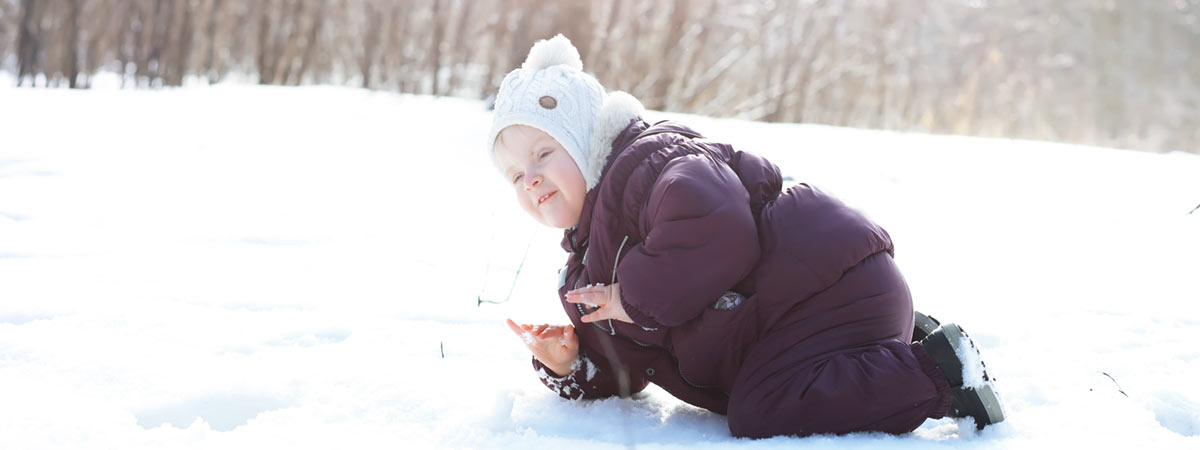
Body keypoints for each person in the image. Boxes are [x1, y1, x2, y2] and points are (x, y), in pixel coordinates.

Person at [490, 35, 1005, 438]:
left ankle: (939, 370)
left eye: (543, 154)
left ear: (584, 141)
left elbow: (718, 226)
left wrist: (631, 297)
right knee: (757, 402)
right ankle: (884, 345)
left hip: (826, 291)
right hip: (800, 323)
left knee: (762, 411)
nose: (530, 179)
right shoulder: (590, 260)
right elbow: (636, 357)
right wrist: (573, 362)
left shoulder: (646, 165)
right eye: (514, 174)